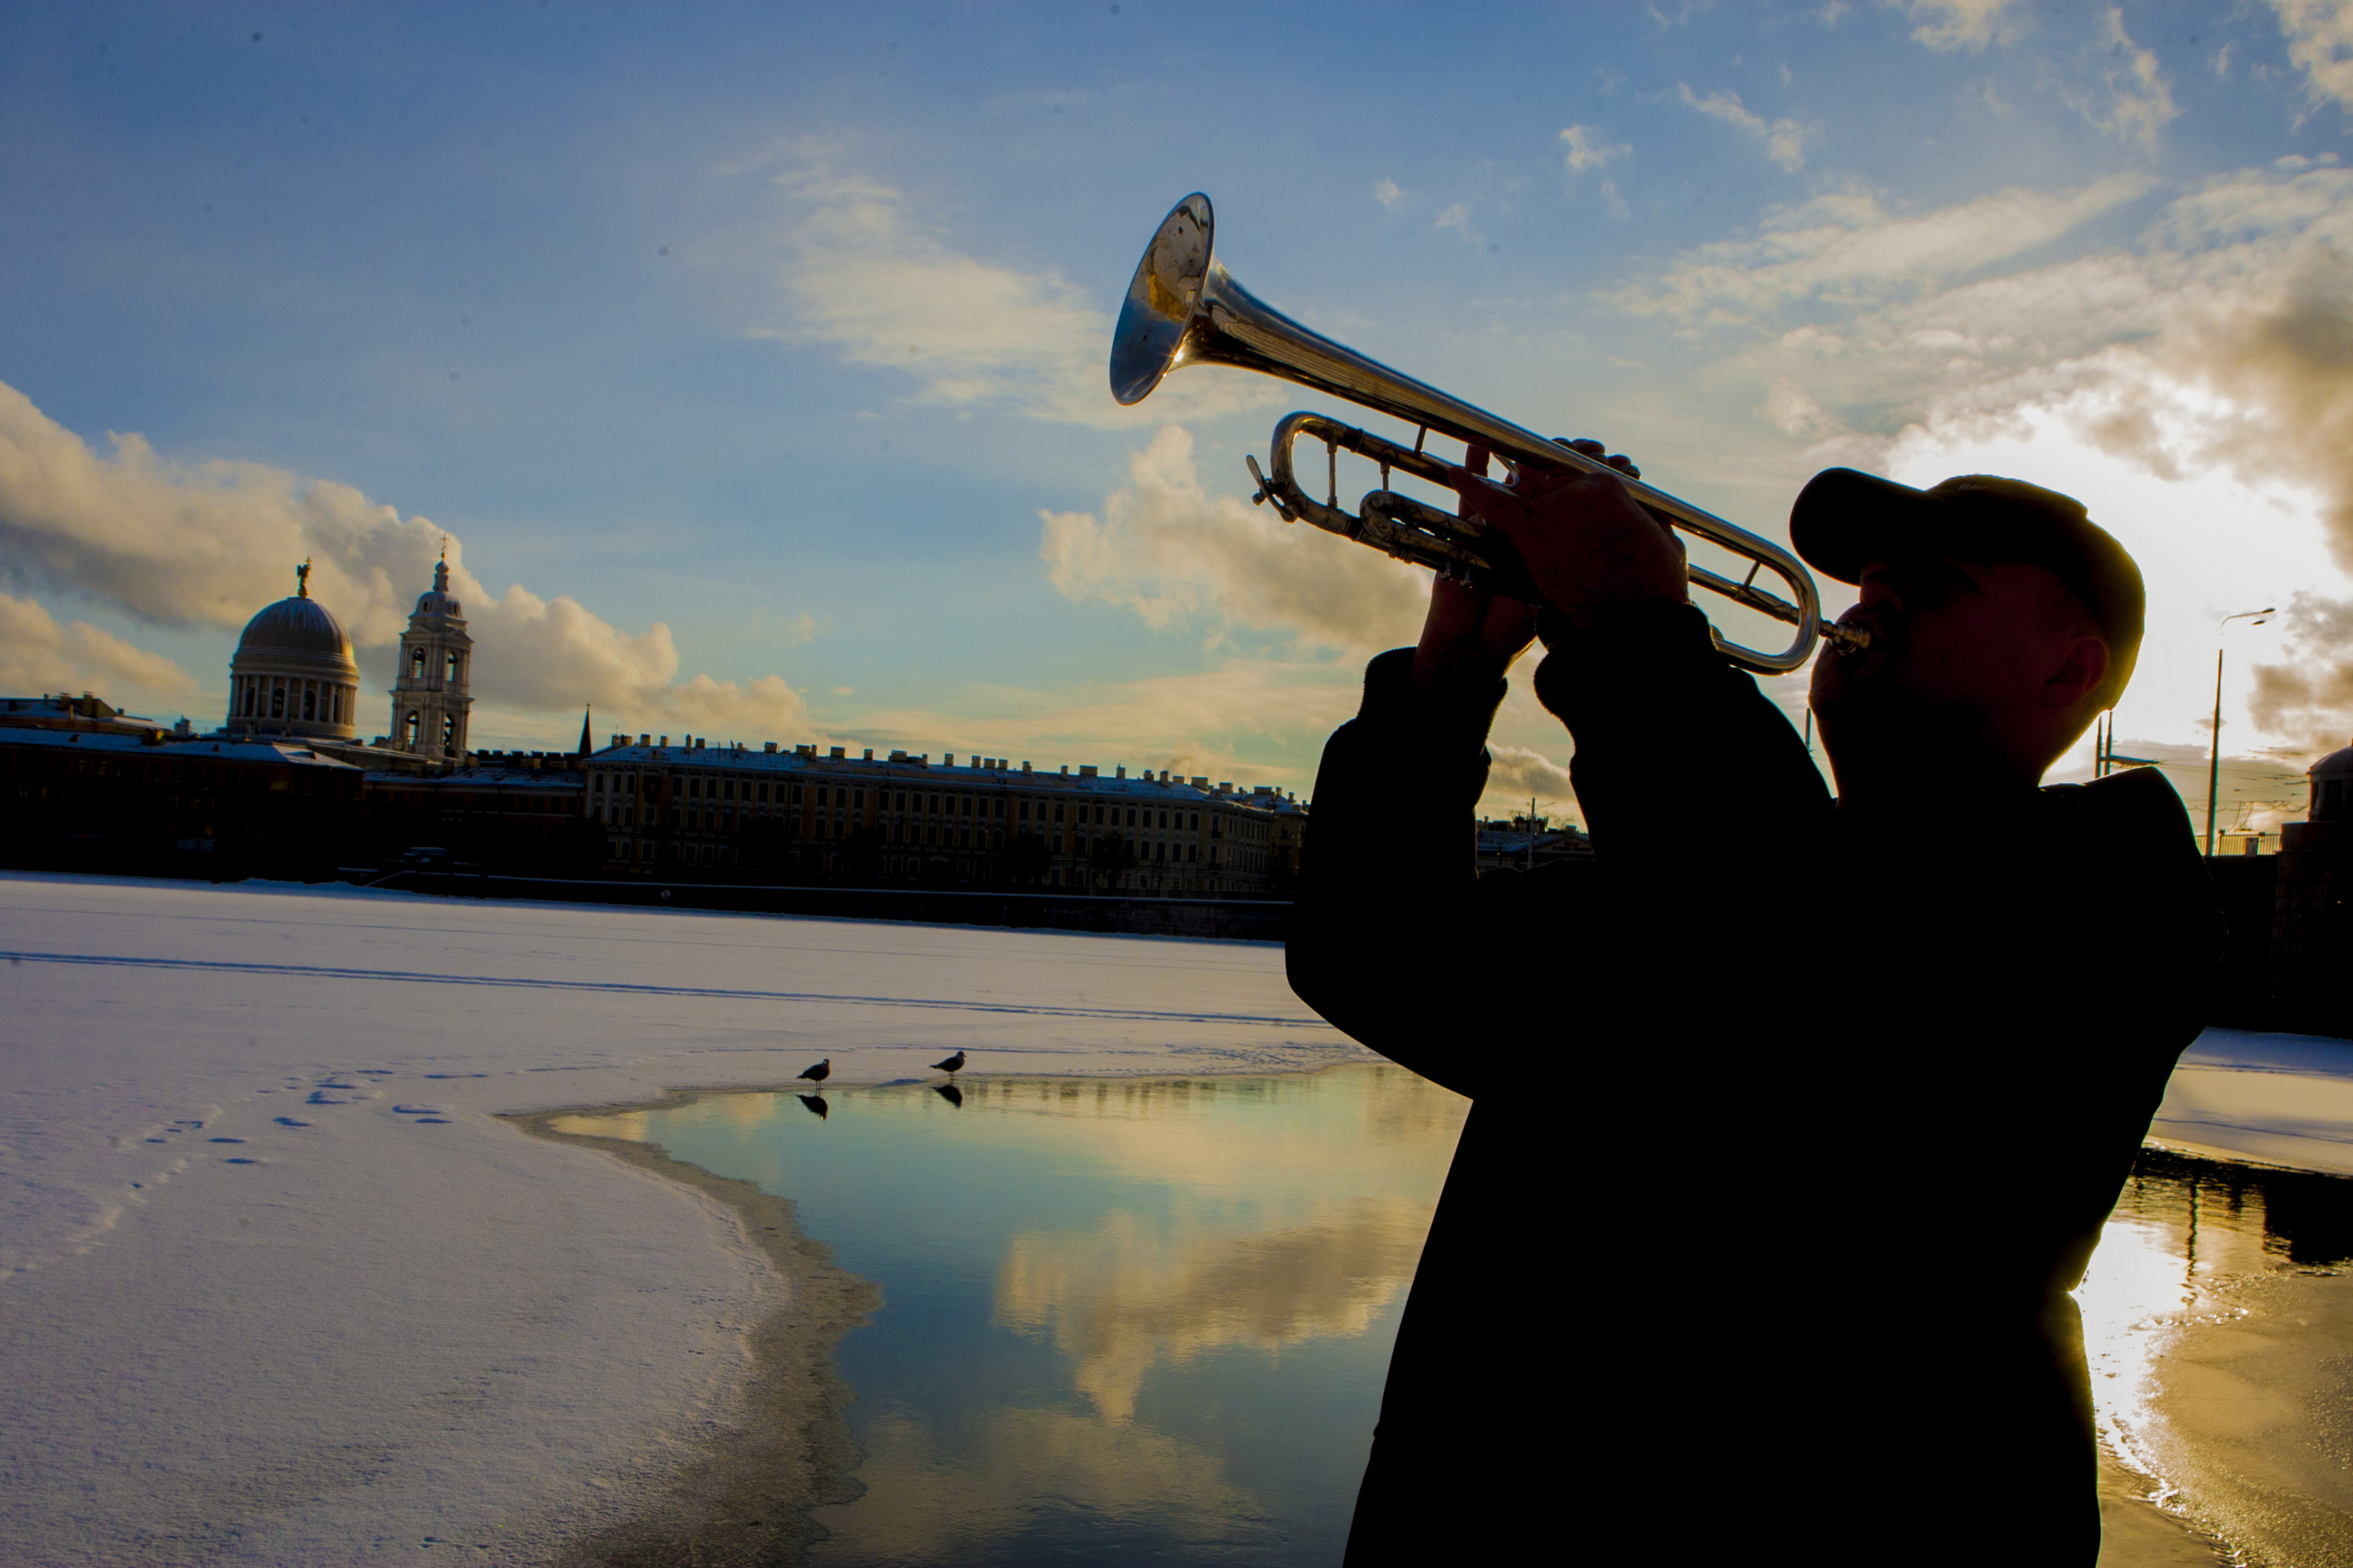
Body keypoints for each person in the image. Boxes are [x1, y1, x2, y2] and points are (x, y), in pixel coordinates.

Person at [1288, 449, 2221, 1564]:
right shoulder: (1703, 879)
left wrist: (1636, 633)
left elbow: (1813, 987)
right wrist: (1445, 685)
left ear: (2068, 673)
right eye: (1872, 582)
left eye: (1934, 585)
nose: (1871, 604)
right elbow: (1376, 954)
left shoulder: (2108, 889)